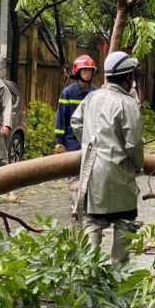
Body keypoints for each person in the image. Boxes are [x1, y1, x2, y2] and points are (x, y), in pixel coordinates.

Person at [71, 51, 144, 265]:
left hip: (91, 172)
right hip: (119, 172)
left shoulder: (92, 97)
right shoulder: (129, 104)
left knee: (93, 223)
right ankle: (119, 275)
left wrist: (88, 143)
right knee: (124, 223)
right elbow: (134, 144)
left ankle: (88, 273)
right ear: (128, 77)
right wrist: (138, 165)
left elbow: (76, 123)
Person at [54, 55, 99, 219]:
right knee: (74, 174)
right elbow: (61, 117)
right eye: (84, 70)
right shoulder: (68, 92)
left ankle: (88, 205)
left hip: (93, 140)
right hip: (72, 140)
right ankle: (75, 207)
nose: (87, 73)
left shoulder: (96, 93)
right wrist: (59, 141)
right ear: (77, 72)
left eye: (90, 70)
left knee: (92, 173)